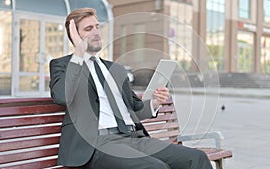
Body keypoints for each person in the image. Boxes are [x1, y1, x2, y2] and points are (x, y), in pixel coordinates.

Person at [49, 8, 213, 169]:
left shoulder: (116, 69)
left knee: (196, 158)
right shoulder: (63, 65)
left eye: (97, 26)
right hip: (96, 144)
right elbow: (62, 96)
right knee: (154, 167)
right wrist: (79, 53)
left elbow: (135, 108)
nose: (96, 32)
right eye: (88, 28)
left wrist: (155, 102)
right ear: (75, 36)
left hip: (133, 137)